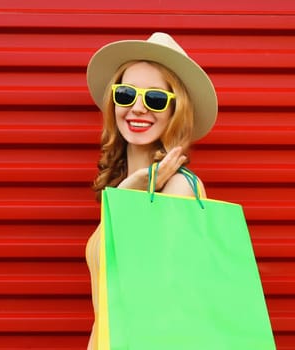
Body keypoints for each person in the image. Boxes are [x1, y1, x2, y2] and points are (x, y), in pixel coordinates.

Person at [83, 32, 218, 349]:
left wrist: (127, 200)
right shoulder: (122, 188)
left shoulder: (179, 187)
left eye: (155, 99)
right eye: (126, 94)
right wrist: (126, 194)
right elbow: (106, 310)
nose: (138, 108)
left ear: (176, 110)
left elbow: (162, 308)